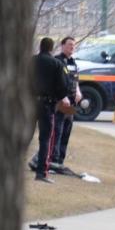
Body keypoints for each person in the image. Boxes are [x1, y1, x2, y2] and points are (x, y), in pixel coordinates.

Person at [32, 37, 70, 183]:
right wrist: (59, 97)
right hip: (46, 105)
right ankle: (41, 173)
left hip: (29, 102)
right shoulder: (56, 64)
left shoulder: (30, 61)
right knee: (45, 139)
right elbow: (63, 86)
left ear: (40, 47)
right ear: (51, 48)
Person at [52, 36, 81, 167]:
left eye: (74, 45)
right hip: (61, 102)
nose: (72, 47)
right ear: (62, 45)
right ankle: (53, 160)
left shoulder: (73, 62)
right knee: (57, 130)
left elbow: (75, 80)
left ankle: (60, 161)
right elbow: (55, 82)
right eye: (69, 44)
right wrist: (62, 96)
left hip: (71, 102)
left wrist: (79, 91)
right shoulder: (57, 61)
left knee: (66, 131)